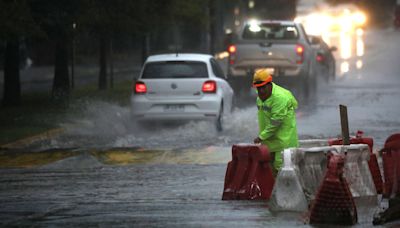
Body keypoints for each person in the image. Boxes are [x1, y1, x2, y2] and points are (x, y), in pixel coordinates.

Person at [252, 68, 299, 175]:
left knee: (281, 169)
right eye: (258, 88)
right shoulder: (260, 99)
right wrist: (263, 138)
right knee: (269, 171)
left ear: (270, 84)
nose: (261, 91)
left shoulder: (280, 98)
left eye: (263, 87)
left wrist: (261, 136)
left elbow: (275, 122)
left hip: (284, 141)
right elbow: (263, 119)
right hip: (269, 141)